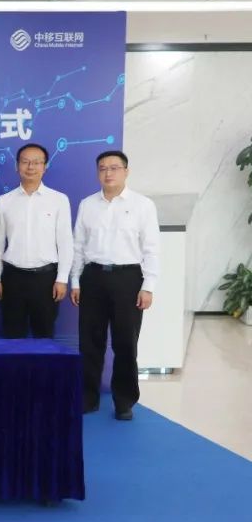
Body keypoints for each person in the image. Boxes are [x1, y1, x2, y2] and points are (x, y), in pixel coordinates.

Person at [71, 150, 161, 421]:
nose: (108, 173)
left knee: (125, 342)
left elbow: (152, 248)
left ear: (126, 171)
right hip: (93, 277)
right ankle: (87, 397)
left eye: (114, 168)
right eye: (102, 168)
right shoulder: (88, 204)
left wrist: (148, 286)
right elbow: (78, 246)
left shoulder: (143, 205)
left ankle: (124, 401)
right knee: (90, 342)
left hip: (128, 279)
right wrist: (75, 280)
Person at [0, 144, 73, 338]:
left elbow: (65, 242)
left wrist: (62, 279)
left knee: (44, 335)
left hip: (46, 280)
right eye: (25, 162)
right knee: (12, 335)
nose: (31, 167)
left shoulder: (59, 200)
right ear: (17, 166)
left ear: (45, 167)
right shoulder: (4, 201)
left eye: (37, 162)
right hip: (12, 278)